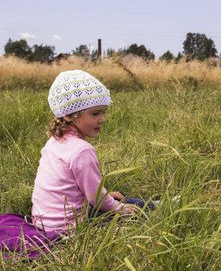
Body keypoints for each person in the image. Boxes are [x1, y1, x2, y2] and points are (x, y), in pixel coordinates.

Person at [31, 70, 153, 232]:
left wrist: (107, 197)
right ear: (68, 115)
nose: (102, 119)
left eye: (103, 112)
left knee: (116, 197)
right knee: (138, 216)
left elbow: (90, 189)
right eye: (95, 113)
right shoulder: (81, 150)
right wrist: (118, 208)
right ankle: (160, 208)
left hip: (44, 222)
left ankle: (159, 204)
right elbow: (96, 198)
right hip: (70, 226)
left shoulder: (54, 142)